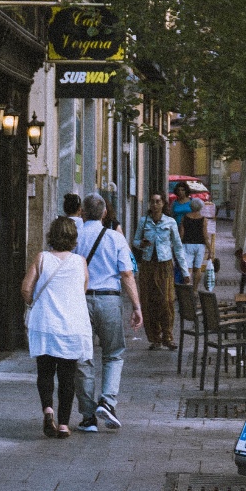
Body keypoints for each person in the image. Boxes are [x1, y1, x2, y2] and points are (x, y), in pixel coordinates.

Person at [75, 195, 143, 433]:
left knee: (83, 356)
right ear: (104, 213)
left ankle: (87, 416)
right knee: (113, 353)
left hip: (80, 301)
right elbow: (126, 274)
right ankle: (107, 401)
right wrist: (136, 306)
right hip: (109, 299)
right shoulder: (115, 238)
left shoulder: (75, 236)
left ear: (82, 212)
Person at [23, 216, 92, 437]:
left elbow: (25, 289)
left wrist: (33, 302)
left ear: (51, 235)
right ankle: (63, 424)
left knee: (45, 371)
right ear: (74, 238)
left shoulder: (41, 258)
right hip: (70, 327)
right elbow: (82, 289)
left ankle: (48, 410)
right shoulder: (80, 262)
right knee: (67, 376)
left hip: (45, 324)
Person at [134, 194, 180, 350]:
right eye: (152, 201)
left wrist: (185, 271)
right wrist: (141, 243)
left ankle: (168, 335)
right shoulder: (144, 221)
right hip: (147, 264)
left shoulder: (170, 222)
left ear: (163, 204)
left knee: (166, 300)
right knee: (148, 301)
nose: (155, 204)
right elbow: (135, 241)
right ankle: (155, 338)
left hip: (164, 264)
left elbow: (178, 246)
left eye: (158, 202)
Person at [170, 182, 211, 293]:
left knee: (187, 267)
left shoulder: (184, 218)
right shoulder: (204, 219)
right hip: (200, 245)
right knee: (197, 268)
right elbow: (205, 235)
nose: (180, 192)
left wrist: (178, 244)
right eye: (179, 190)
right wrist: (210, 249)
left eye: (183, 190)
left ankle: (187, 287)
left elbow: (182, 233)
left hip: (186, 243)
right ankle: (194, 290)